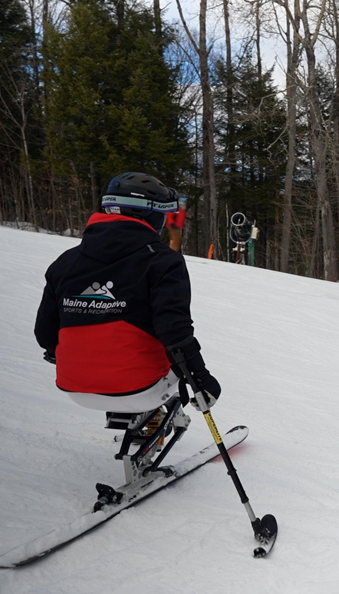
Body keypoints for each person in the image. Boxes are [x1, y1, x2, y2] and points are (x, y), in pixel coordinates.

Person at [34, 171, 221, 429]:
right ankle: (157, 416)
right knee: (172, 361)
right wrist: (201, 378)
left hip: (74, 387)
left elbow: (45, 334)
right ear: (148, 214)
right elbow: (174, 331)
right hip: (140, 390)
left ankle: (137, 415)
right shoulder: (162, 260)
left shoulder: (65, 261)